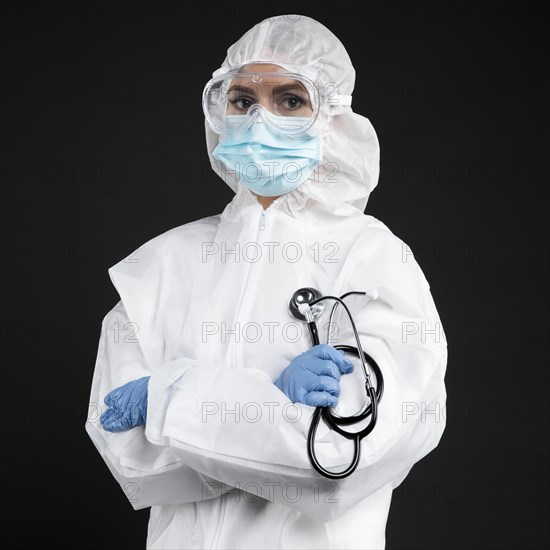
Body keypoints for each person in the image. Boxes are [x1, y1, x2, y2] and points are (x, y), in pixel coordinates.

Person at [85, 14, 448, 550]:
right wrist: (269, 411)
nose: (260, 120)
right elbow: (126, 456)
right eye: (242, 100)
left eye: (290, 100)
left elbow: (340, 461)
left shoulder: (375, 261)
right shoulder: (163, 264)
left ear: (333, 117)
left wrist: (170, 401)